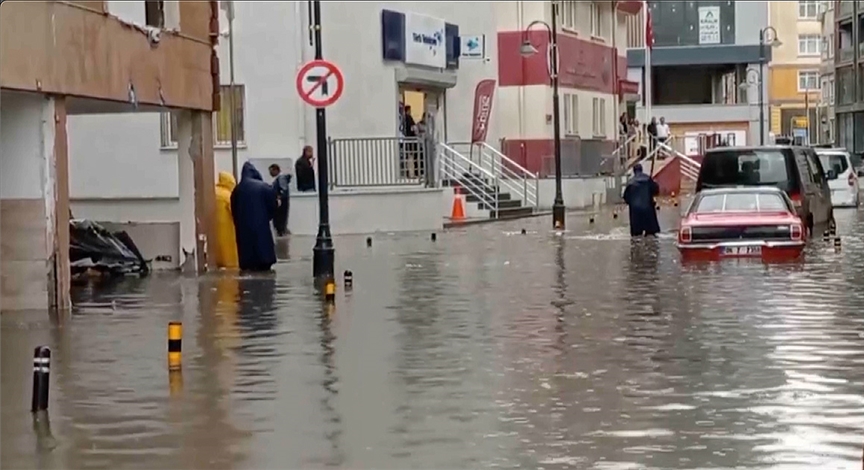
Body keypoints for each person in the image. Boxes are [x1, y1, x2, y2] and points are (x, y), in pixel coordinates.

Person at [230, 162, 277, 272]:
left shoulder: (237, 190)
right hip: (261, 226)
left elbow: (233, 209)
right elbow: (273, 206)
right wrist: (267, 217)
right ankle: (265, 263)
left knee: (247, 258)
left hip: (244, 229)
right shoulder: (264, 187)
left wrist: (239, 222)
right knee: (263, 250)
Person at [623, 163, 661, 237]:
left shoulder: (630, 182)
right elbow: (656, 190)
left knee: (636, 236)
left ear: (634, 171)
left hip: (635, 212)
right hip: (648, 210)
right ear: (641, 169)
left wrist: (631, 203)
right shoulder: (648, 179)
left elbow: (625, 197)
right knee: (651, 235)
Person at [213, 171, 239, 269]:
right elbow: (234, 210)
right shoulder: (227, 195)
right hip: (227, 226)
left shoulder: (214, 192)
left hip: (213, 225)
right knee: (228, 250)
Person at [268, 164, 291, 236]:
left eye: (271, 171)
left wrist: (279, 197)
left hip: (281, 201)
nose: (270, 173)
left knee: (280, 217)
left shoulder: (281, 178)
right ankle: (281, 230)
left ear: (276, 170)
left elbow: (283, 189)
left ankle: (281, 231)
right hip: (281, 200)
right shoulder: (279, 179)